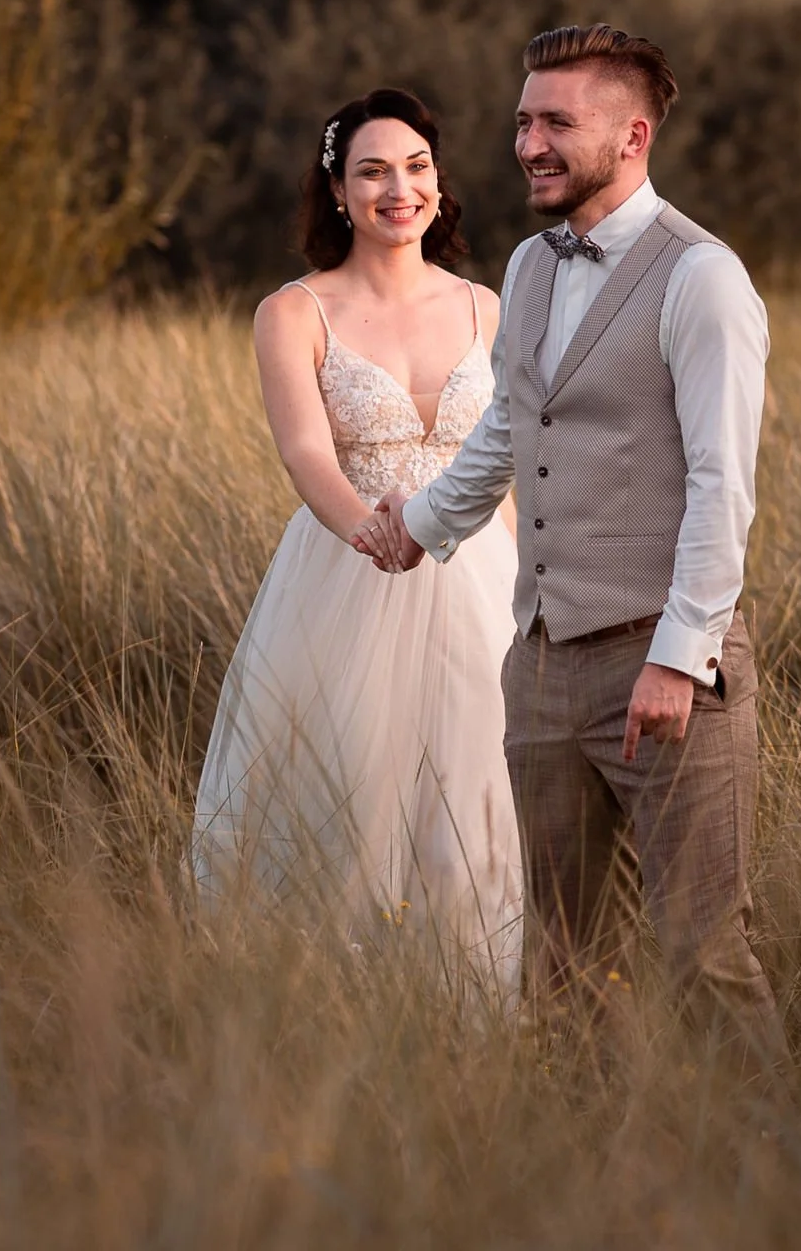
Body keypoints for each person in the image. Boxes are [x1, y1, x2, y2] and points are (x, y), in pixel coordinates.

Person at [372, 26, 788, 1063]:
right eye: (522, 120)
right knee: (558, 961)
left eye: (557, 121)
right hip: (544, 666)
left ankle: (790, 1181)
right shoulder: (529, 265)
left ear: (633, 135)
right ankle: (582, 1190)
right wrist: (420, 528)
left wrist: (677, 657)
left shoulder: (703, 279)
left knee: (704, 952)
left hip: (664, 667)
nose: (528, 143)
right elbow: (510, 429)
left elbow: (720, 487)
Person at [192, 87, 522, 985]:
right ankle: (342, 1002)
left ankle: (483, 999)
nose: (398, 189)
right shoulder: (294, 312)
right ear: (338, 191)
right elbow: (305, 454)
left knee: (477, 786)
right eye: (373, 171)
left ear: (438, 182)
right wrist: (372, 537)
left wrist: (533, 577)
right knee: (348, 795)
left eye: (416, 168)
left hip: (481, 572)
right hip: (348, 574)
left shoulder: (486, 306)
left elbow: (510, 460)